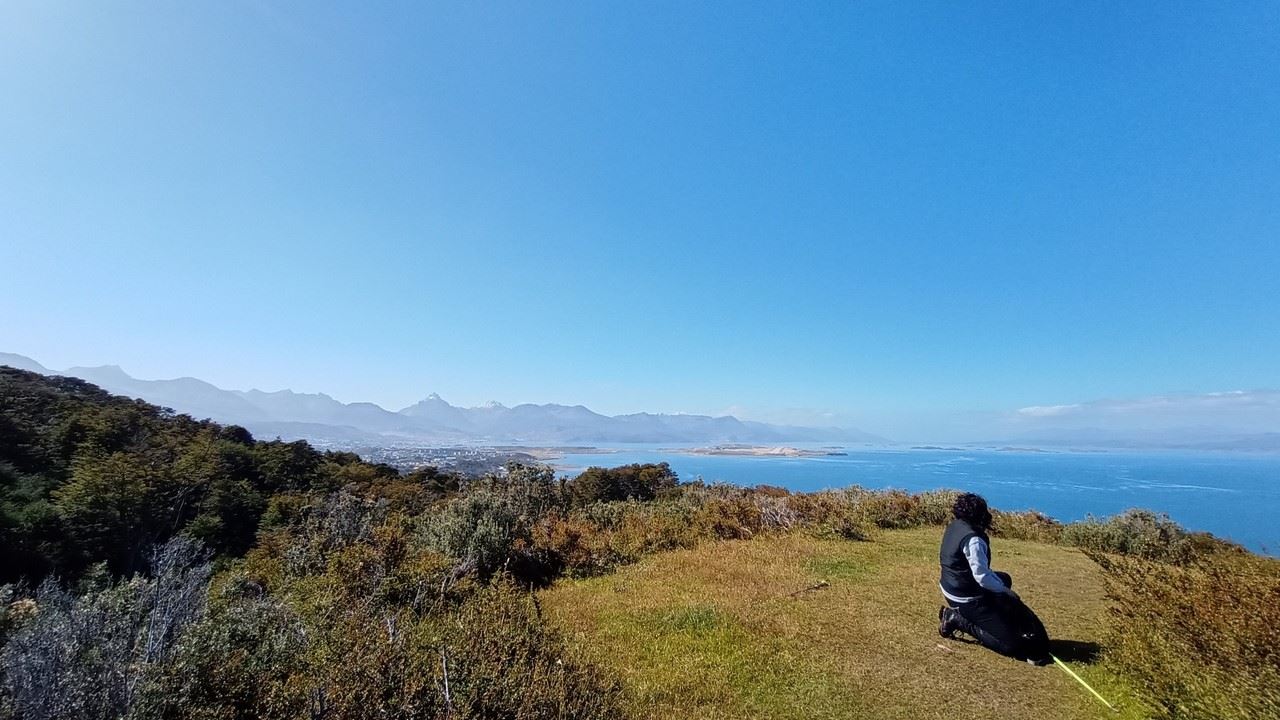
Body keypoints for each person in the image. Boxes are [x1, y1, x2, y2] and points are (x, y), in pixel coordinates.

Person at [937, 492, 1052, 665]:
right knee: (1010, 645)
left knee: (1004, 578)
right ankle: (957, 619)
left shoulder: (955, 525)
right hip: (966, 596)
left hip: (951, 584)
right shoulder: (973, 539)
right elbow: (982, 577)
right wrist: (1006, 593)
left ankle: (996, 617)